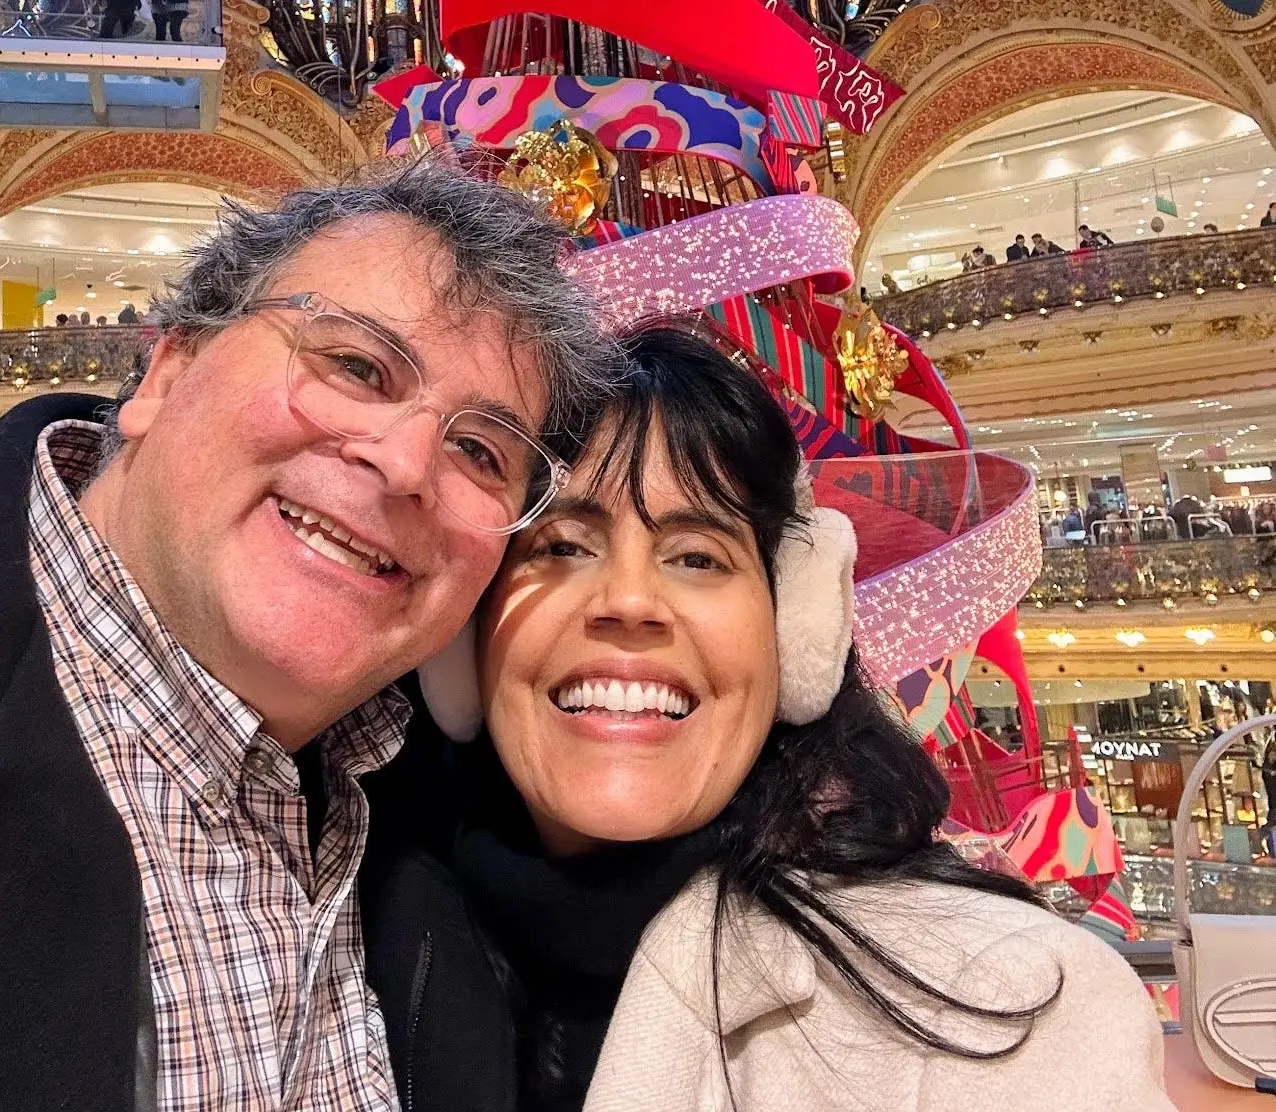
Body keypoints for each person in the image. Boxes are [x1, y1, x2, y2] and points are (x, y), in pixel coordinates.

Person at [0, 160, 617, 1112]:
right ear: (166, 370)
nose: (405, 466)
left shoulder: (434, 802)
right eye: (354, 365)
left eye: (481, 451)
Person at [362, 325, 1173, 1112]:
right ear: (462, 640)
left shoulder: (1007, 1003)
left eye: (697, 557)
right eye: (563, 545)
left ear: (796, 635)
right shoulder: (331, 944)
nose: (631, 602)